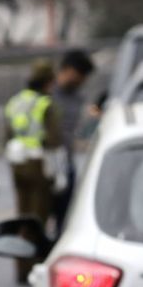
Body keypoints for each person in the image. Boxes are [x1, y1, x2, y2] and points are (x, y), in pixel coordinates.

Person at [4, 59, 64, 284]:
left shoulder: (15, 102)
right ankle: (35, 267)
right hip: (38, 164)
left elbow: (8, 134)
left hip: (17, 164)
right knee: (38, 218)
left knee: (22, 215)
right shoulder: (45, 104)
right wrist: (59, 174)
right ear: (48, 81)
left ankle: (21, 268)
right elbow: (54, 141)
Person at [50, 49, 95, 237]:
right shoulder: (47, 94)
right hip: (45, 165)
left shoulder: (78, 98)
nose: (80, 81)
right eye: (79, 75)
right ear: (67, 69)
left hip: (66, 163)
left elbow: (81, 132)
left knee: (65, 218)